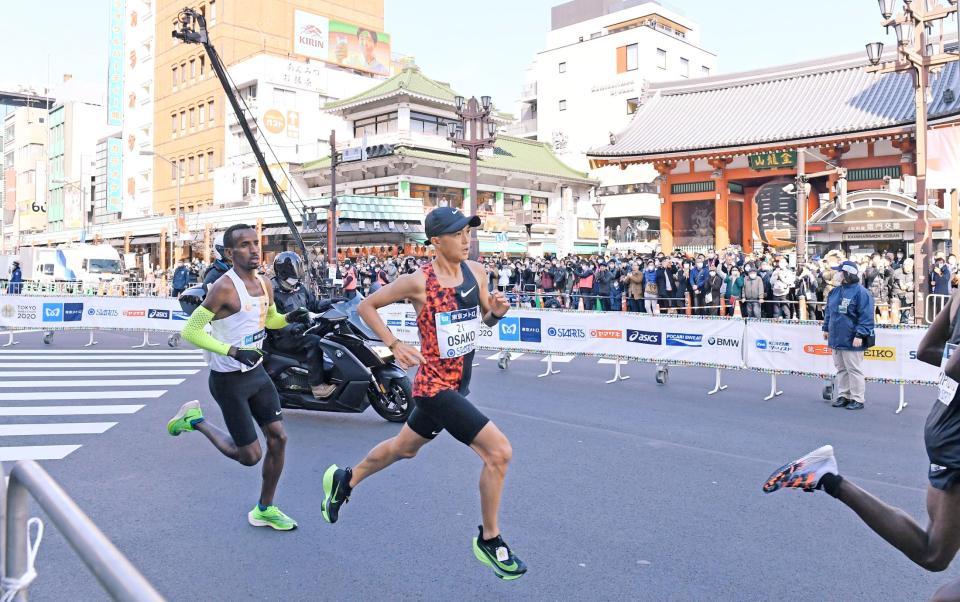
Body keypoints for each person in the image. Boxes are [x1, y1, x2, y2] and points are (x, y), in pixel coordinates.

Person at [319, 207, 527, 580]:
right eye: (458, 234)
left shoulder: (477, 272)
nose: (466, 240)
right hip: (434, 388)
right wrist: (394, 343)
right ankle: (490, 539)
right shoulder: (418, 282)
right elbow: (366, 306)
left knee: (404, 449)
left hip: (459, 385)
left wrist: (496, 314)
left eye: (468, 232)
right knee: (499, 453)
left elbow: (481, 321)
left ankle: (345, 480)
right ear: (436, 241)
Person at [763, 286, 960, 602]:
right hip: (955, 437)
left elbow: (927, 351)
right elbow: (953, 367)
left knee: (934, 554)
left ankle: (828, 478)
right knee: (936, 562)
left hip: (945, 426)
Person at [168, 224, 310, 531]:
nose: (254, 249)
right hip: (229, 380)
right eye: (245, 245)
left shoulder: (265, 283)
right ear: (230, 253)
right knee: (249, 457)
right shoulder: (224, 287)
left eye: (256, 243)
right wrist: (232, 352)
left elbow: (268, 320)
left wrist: (289, 318)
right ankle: (195, 420)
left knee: (279, 438)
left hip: (256, 373)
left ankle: (265, 508)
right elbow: (190, 331)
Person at [268, 251, 336, 399]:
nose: (296, 278)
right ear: (284, 271)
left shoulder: (300, 288)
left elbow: (313, 305)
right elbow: (275, 321)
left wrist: (332, 302)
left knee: (332, 326)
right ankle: (317, 386)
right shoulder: (273, 293)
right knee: (314, 342)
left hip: (304, 329)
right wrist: (294, 327)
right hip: (285, 337)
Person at [821, 261, 874, 410]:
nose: (836, 274)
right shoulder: (835, 291)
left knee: (854, 369)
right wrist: (826, 328)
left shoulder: (861, 292)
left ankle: (857, 398)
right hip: (837, 337)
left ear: (847, 274)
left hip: (852, 337)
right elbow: (829, 312)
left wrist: (860, 334)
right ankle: (844, 395)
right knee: (841, 369)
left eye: (839, 272)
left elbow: (866, 317)